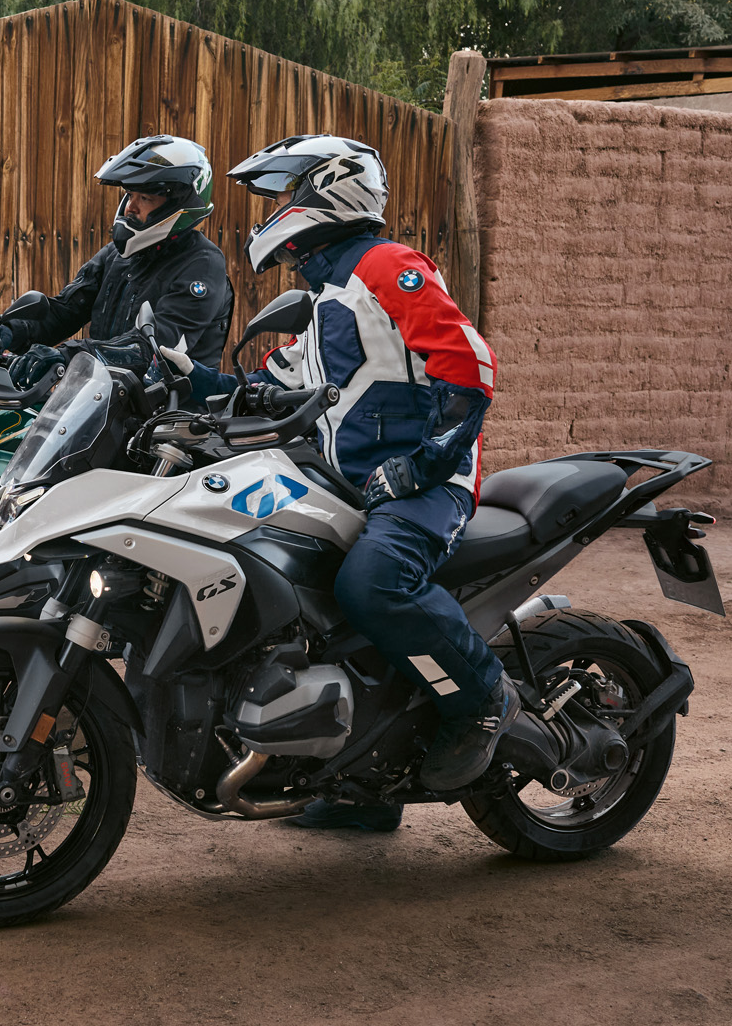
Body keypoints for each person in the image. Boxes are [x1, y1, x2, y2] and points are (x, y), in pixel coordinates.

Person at [186, 134, 509, 828]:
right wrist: (180, 376)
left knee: (372, 584)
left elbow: (469, 369)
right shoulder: (326, 292)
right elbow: (262, 385)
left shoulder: (387, 266)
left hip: (427, 487)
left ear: (326, 190)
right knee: (293, 590)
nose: (275, 211)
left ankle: (481, 700)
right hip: (351, 482)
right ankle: (357, 784)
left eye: (284, 194)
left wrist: (423, 465)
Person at [0, 135, 232, 382]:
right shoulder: (116, 255)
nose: (131, 207)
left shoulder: (203, 265)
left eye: (146, 198)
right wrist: (11, 330)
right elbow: (66, 310)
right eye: (130, 195)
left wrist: (66, 356)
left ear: (179, 203)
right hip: (102, 404)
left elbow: (154, 348)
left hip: (172, 418)